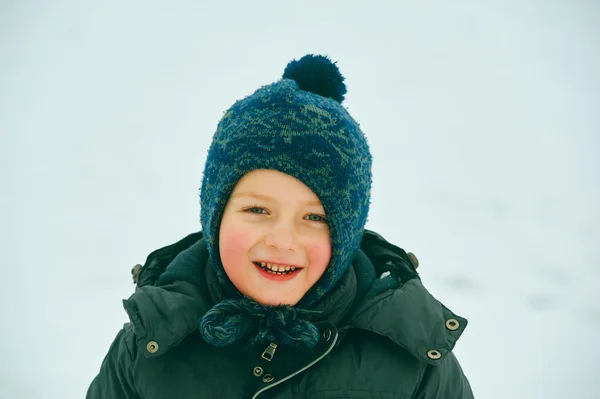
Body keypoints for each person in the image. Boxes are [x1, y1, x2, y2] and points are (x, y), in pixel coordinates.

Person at [87, 54, 474, 398]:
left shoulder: (412, 358)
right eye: (257, 210)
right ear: (215, 217)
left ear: (347, 233)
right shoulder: (152, 345)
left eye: (315, 218)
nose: (283, 240)